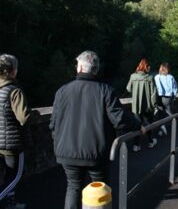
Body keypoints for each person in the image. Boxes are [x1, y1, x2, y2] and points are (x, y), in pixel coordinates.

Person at [50, 51, 143, 209]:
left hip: (67, 151)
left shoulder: (62, 91)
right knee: (100, 190)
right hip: (97, 152)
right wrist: (138, 125)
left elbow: (53, 124)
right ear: (96, 69)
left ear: (79, 67)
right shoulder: (106, 90)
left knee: (73, 187)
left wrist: (58, 141)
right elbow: (119, 118)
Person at [0, 54, 33, 209]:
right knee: (15, 177)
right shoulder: (14, 91)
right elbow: (23, 117)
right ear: (12, 71)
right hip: (11, 144)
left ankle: (11, 205)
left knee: (6, 176)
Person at [126, 58, 158, 151]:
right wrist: (155, 105)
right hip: (148, 106)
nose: (149, 68)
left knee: (137, 124)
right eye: (148, 66)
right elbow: (153, 94)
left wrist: (136, 91)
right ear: (145, 67)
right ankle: (150, 141)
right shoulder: (150, 78)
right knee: (148, 124)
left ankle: (136, 145)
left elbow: (128, 89)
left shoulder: (133, 76)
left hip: (136, 105)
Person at [154, 63, 178, 137]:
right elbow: (175, 88)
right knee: (168, 113)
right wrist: (174, 96)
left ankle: (161, 128)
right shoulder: (170, 77)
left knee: (160, 113)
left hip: (159, 97)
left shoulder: (157, 77)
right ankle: (167, 126)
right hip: (167, 98)